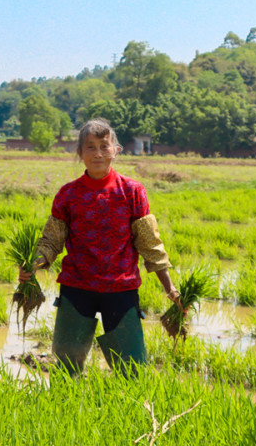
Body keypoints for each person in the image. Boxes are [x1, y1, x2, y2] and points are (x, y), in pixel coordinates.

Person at [19, 118, 180, 375]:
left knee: (132, 371)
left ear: (115, 150)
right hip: (77, 288)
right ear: (80, 153)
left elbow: (150, 244)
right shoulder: (68, 195)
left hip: (121, 289)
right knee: (66, 370)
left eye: (104, 146)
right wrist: (33, 266)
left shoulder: (132, 191)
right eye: (90, 147)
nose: (98, 153)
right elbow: (51, 241)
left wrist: (170, 288)